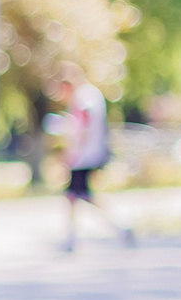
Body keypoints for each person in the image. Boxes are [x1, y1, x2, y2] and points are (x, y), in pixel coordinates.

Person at [48, 69, 134, 250]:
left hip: (84, 157)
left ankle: (118, 229)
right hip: (85, 155)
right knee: (77, 196)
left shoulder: (84, 97)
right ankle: (115, 230)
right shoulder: (86, 96)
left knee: (76, 196)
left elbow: (84, 125)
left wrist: (73, 152)